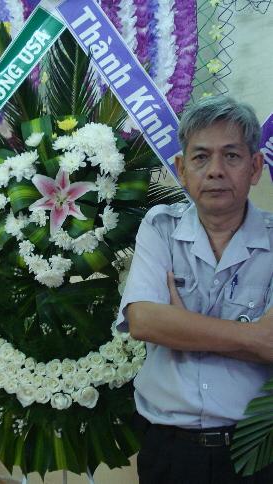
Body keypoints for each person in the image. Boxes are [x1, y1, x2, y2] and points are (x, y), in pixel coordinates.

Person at [116, 95, 273, 484]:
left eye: (231, 156)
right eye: (201, 157)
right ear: (182, 169)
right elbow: (143, 321)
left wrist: (181, 325)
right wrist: (253, 336)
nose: (216, 171)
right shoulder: (160, 226)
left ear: (255, 167)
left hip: (255, 451)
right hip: (169, 451)